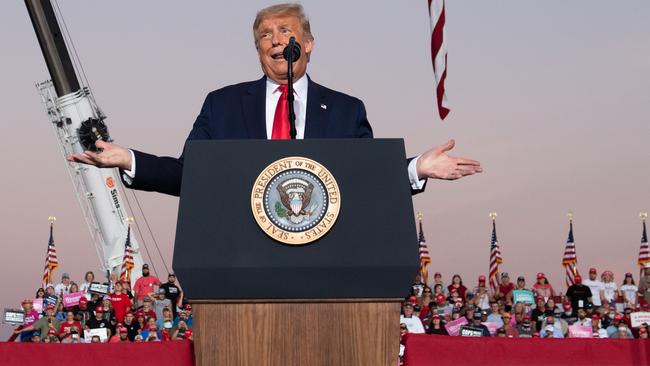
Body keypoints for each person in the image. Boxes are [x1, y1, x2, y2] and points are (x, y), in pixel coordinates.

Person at [66, 3, 482, 197]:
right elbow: (190, 176)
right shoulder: (222, 105)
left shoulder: (345, 110)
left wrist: (415, 168)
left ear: (309, 44)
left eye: (285, 31)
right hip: (238, 265)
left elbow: (364, 178)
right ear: (257, 49)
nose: (276, 39)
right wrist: (129, 159)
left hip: (325, 265)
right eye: (265, 34)